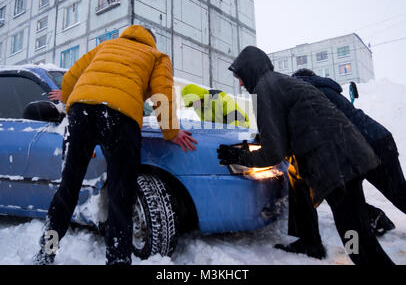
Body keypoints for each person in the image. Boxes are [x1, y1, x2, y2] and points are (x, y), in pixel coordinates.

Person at [34, 25, 197, 265]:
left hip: (82, 112)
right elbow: (163, 94)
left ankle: (46, 252)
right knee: (121, 196)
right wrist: (170, 132)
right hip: (120, 119)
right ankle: (118, 261)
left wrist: (70, 98)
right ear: (152, 41)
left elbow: (69, 78)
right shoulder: (156, 56)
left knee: (68, 189)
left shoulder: (106, 46)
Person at [217, 46, 395, 265]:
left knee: (354, 237)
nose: (241, 83)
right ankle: (321, 246)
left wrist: (241, 157)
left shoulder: (266, 89)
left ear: (250, 70)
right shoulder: (278, 83)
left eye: (240, 77)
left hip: (337, 165)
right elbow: (286, 130)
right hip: (347, 157)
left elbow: (274, 152)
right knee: (357, 235)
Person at [278, 68, 405, 258]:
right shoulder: (324, 89)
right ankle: (374, 220)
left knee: (397, 194)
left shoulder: (309, 93)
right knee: (344, 196)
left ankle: (358, 235)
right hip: (375, 140)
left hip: (368, 145)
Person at [181, 84, 250, 128]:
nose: (195, 105)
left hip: (240, 127)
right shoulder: (198, 106)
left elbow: (235, 118)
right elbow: (206, 124)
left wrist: (231, 134)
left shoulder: (220, 97)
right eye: (192, 104)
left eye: (195, 101)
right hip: (223, 132)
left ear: (201, 97)